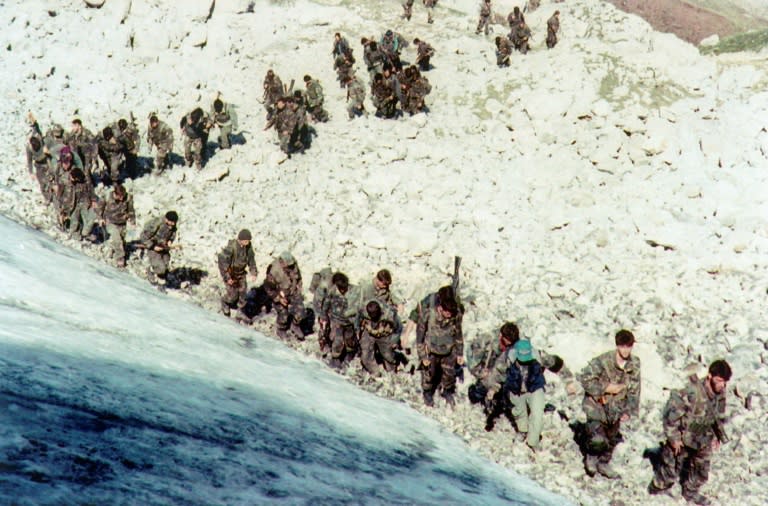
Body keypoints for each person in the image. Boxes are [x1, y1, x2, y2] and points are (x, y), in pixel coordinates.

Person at [648, 360, 732, 506]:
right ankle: (658, 486)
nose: (722, 385)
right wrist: (674, 439)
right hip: (682, 436)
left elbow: (719, 414)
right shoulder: (691, 391)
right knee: (670, 471)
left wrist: (717, 435)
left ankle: (690, 492)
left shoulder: (720, 393)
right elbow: (671, 415)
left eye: (724, 382)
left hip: (703, 437)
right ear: (709, 376)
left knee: (701, 471)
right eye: (719, 381)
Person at [578, 330, 641, 479]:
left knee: (612, 438)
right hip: (597, 406)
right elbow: (585, 379)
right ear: (617, 345)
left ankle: (604, 463)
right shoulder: (603, 361)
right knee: (598, 439)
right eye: (622, 346)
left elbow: (635, 388)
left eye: (629, 346)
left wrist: (629, 410)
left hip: (616, 408)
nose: (625, 350)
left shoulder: (635, 364)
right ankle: (591, 457)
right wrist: (606, 388)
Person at [415, 285, 464, 407]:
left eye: (451, 313)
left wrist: (460, 353)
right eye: (447, 312)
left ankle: (447, 391)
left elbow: (458, 334)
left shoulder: (455, 315)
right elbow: (419, 339)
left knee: (449, 374)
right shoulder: (428, 315)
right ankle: (427, 392)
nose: (449, 315)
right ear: (440, 308)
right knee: (428, 374)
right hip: (431, 350)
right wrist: (423, 357)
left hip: (448, 351)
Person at [264, 251, 306, 340]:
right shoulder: (274, 270)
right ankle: (281, 329)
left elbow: (298, 278)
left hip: (292, 291)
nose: (290, 267)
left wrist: (298, 289)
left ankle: (295, 325)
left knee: (301, 312)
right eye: (288, 265)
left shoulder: (293, 264)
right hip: (279, 294)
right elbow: (268, 288)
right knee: (284, 315)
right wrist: (279, 298)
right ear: (282, 262)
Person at [320, 272, 359, 368]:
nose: (343, 291)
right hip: (336, 321)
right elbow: (325, 305)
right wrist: (324, 318)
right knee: (338, 340)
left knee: (350, 339)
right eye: (341, 288)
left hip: (349, 321)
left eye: (344, 288)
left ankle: (349, 354)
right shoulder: (332, 291)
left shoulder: (353, 290)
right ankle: (335, 358)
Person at [218, 229, 258, 318]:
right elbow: (222, 262)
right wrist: (227, 277)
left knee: (243, 293)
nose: (247, 243)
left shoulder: (248, 247)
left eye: (248, 241)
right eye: (246, 241)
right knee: (233, 296)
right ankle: (225, 302)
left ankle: (240, 310)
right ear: (240, 239)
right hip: (231, 273)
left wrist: (253, 272)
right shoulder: (232, 247)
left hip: (241, 273)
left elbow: (251, 259)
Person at [140, 210, 179, 285]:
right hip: (153, 246)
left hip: (163, 247)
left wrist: (170, 241)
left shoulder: (172, 226)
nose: (173, 224)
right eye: (172, 222)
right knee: (161, 268)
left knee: (166, 264)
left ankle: (159, 276)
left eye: (174, 222)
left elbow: (173, 234)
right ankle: (150, 270)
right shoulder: (156, 223)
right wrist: (153, 246)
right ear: (166, 219)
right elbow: (143, 236)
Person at [101, 183, 135, 268]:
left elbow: (131, 210)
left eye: (122, 197)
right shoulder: (107, 196)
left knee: (122, 241)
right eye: (119, 197)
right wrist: (100, 218)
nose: (121, 199)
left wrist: (132, 219)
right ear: (115, 194)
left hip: (122, 222)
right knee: (117, 239)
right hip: (110, 221)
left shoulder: (128, 198)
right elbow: (100, 207)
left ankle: (113, 249)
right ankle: (120, 258)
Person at [26, 136, 55, 204]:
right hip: (39, 165)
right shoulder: (29, 148)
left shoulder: (43, 142)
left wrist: (48, 152)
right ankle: (47, 198)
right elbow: (29, 160)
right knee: (42, 183)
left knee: (51, 180)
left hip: (47, 162)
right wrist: (31, 172)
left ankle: (54, 195)